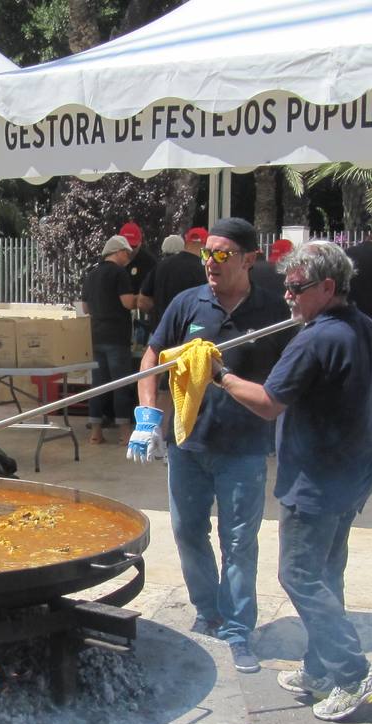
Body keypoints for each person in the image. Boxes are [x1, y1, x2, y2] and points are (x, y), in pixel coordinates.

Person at [214, 239, 372, 721]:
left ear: (328, 287)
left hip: (316, 481)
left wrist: (219, 376)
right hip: (351, 476)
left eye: (296, 288)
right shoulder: (367, 327)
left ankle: (354, 674)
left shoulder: (315, 339)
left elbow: (269, 402)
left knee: (300, 575)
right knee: (328, 575)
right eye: (286, 287)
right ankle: (319, 667)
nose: (288, 297)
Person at [129, 217, 294, 675]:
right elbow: (152, 357)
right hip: (187, 442)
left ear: (249, 259)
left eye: (222, 254)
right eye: (207, 254)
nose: (211, 263)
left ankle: (239, 632)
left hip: (243, 447)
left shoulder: (271, 312)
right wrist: (147, 416)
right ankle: (208, 612)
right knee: (186, 532)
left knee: (238, 541)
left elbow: (293, 372)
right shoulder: (188, 303)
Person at [79, 234, 138, 444]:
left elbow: (85, 307)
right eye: (127, 253)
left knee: (98, 384)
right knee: (121, 384)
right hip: (116, 336)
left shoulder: (91, 274)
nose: (128, 257)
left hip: (95, 335)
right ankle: (124, 434)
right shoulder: (119, 274)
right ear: (118, 252)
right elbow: (127, 303)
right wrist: (141, 300)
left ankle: (96, 432)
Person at [118, 220, 156, 296]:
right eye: (126, 246)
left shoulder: (149, 262)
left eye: (133, 246)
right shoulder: (111, 260)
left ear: (140, 243)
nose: (130, 250)